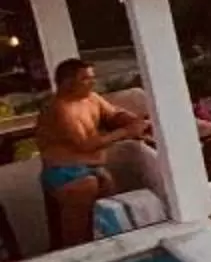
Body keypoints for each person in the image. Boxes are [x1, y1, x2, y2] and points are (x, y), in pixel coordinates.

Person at [34, 59, 161, 249]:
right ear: (67, 82)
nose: (92, 83)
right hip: (64, 171)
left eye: (92, 78)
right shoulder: (59, 108)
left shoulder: (91, 98)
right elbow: (85, 144)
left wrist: (133, 121)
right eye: (86, 79)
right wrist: (127, 132)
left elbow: (113, 114)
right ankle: (74, 257)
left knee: (110, 212)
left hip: (94, 166)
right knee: (78, 227)